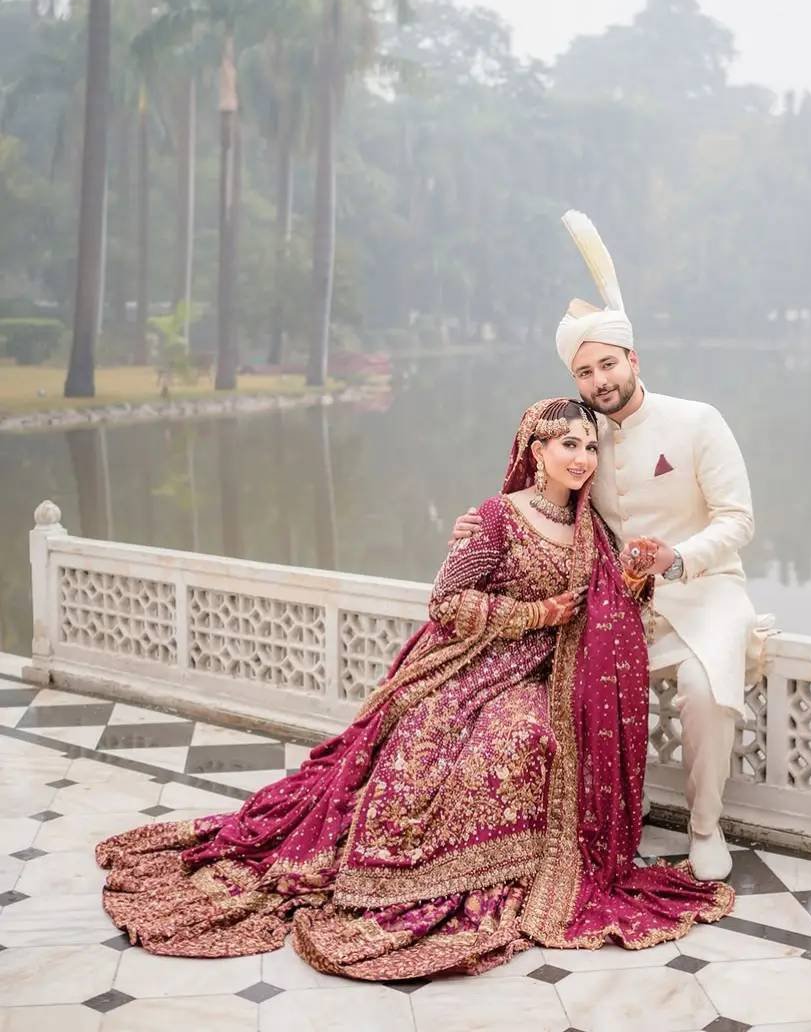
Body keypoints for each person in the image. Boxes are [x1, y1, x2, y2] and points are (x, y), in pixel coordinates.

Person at [96, 398, 734, 981]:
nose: (582, 457)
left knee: (521, 738)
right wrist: (533, 614)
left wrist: (634, 576)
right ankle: (407, 872)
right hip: (475, 663)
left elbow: (609, 608)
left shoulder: (593, 527)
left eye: (590, 446)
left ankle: (517, 865)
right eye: (568, 444)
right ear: (536, 450)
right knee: (433, 743)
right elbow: (446, 601)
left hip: (551, 675)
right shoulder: (496, 518)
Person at [454, 214, 770, 882]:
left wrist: (677, 559)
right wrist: (486, 523)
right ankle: (610, 811)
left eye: (608, 364)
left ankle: (706, 826)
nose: (599, 380)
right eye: (585, 371)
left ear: (633, 360)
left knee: (703, 691)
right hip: (618, 603)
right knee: (573, 684)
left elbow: (738, 520)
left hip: (706, 592)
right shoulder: (581, 438)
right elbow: (543, 494)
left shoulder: (697, 421)